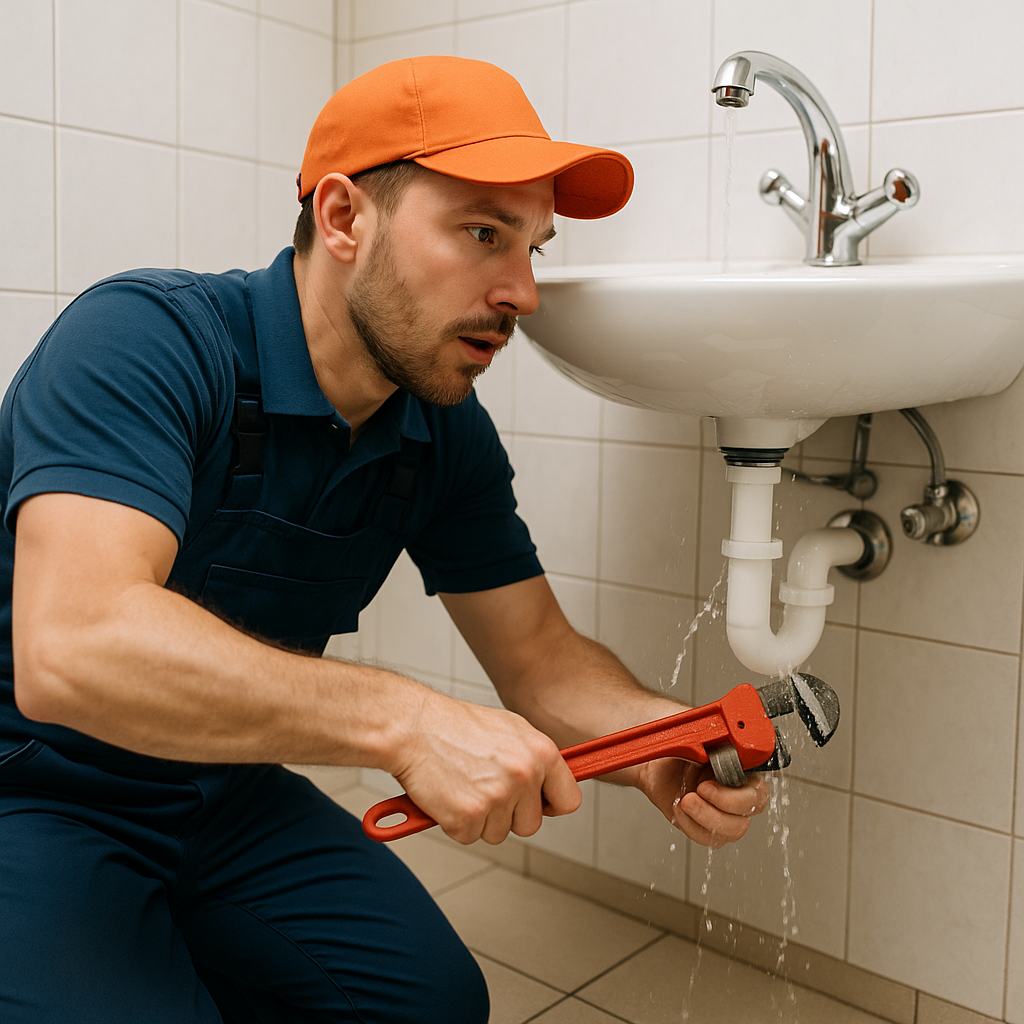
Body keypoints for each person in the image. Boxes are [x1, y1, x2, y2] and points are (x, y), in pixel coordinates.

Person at [0, 56, 767, 1022]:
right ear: (343, 218)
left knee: (432, 1005)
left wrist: (656, 744)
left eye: (533, 244)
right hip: (34, 784)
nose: (523, 291)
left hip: (219, 793)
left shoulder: (438, 430)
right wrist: (408, 723)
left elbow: (539, 659)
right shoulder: (145, 341)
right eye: (483, 232)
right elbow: (75, 649)